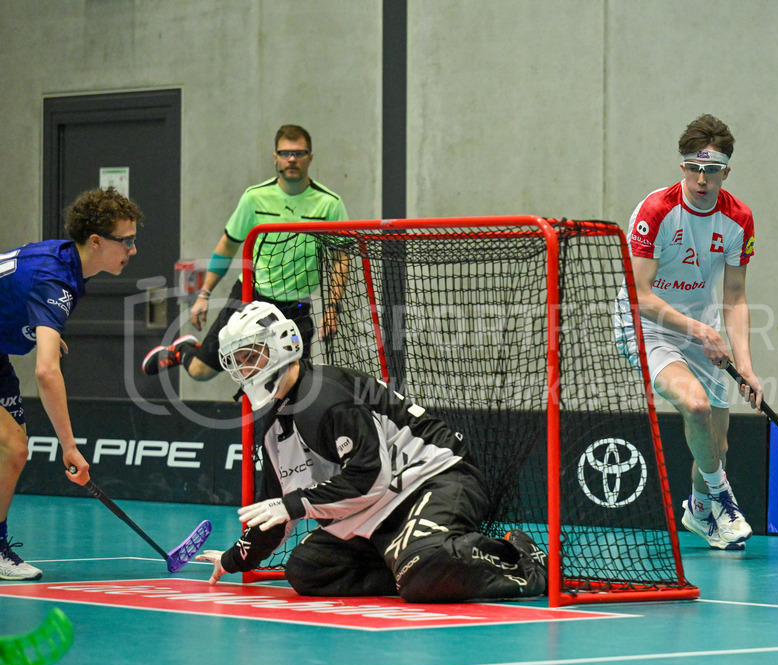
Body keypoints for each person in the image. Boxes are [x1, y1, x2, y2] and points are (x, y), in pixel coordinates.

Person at [196, 302, 547, 603]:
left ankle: (524, 562)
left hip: (434, 479)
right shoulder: (273, 426)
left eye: (251, 356)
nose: (244, 370)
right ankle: (408, 567)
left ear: (282, 344)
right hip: (373, 511)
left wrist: (294, 504)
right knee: (307, 570)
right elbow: (273, 512)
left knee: (423, 564)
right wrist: (231, 560)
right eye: (238, 362)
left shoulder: (326, 398)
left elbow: (370, 477)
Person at [615, 114, 763, 551]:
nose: (701, 178)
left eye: (711, 170)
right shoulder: (656, 212)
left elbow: (735, 297)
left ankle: (699, 510)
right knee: (695, 405)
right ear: (682, 167)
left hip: (702, 329)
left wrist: (748, 369)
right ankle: (722, 498)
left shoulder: (739, 220)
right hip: (646, 324)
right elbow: (639, 295)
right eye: (693, 168)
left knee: (716, 445)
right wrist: (698, 329)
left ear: (726, 172)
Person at [0, 187, 143, 579]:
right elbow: (46, 372)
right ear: (96, 241)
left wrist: (38, 326)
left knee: (11, 454)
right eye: (125, 241)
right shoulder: (56, 281)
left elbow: (14, 289)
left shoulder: (63, 258)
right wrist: (69, 447)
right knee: (12, 445)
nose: (132, 250)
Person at [142, 124, 349, 381]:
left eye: (299, 153)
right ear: (275, 158)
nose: (292, 159)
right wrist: (204, 293)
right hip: (250, 297)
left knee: (294, 385)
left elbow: (342, 258)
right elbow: (226, 247)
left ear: (310, 157)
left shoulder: (330, 204)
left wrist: (333, 309)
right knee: (200, 372)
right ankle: (182, 351)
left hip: (296, 307)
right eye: (285, 153)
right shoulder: (254, 198)